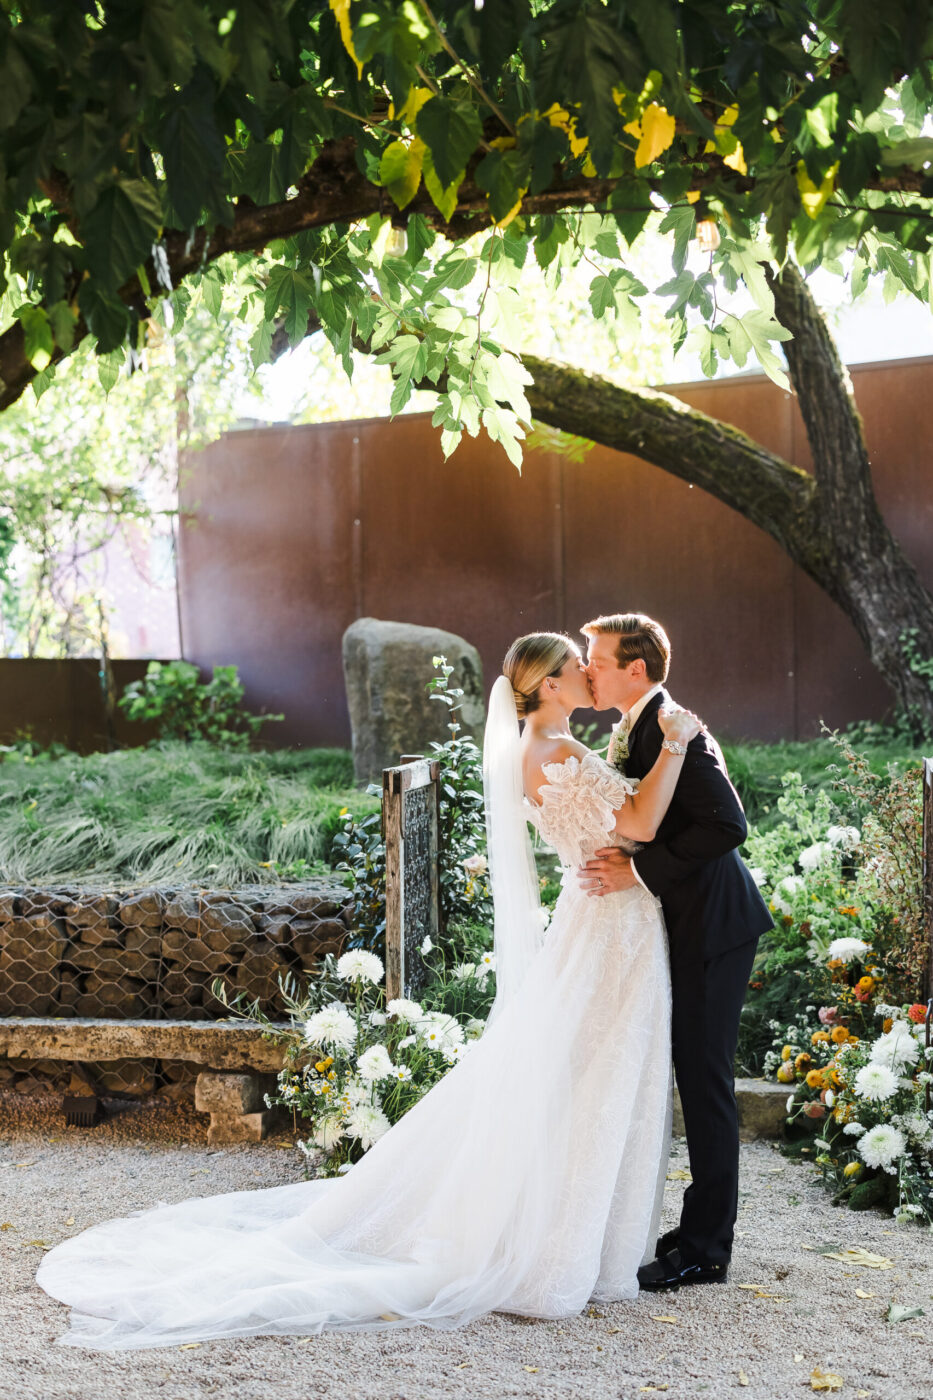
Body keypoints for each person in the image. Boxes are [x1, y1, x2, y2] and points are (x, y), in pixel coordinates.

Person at [36, 632, 699, 1351]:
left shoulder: (541, 750)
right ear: (544, 686)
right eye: (575, 667)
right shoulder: (557, 753)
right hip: (609, 930)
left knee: (584, 1074)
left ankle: (568, 1233)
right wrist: (676, 745)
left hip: (598, 921)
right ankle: (557, 1248)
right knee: (594, 1075)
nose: (585, 674)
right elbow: (635, 822)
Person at [578, 613, 773, 1291]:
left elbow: (727, 822)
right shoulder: (643, 724)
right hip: (687, 925)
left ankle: (704, 1250)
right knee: (695, 1078)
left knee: (705, 1084)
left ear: (635, 669)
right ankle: (695, 1233)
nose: (586, 669)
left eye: (596, 659)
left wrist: (636, 872)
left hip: (714, 929)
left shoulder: (669, 725)